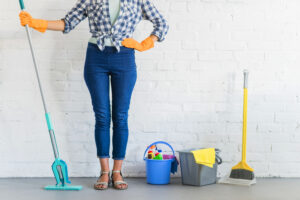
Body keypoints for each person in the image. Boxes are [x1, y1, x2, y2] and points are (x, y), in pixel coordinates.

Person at [19, 0, 169, 190]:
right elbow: (67, 22)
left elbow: (162, 23)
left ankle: (117, 171)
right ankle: (104, 172)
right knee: (102, 116)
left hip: (124, 56)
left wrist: (146, 43)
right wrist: (36, 23)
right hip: (95, 58)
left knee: (120, 116)